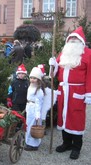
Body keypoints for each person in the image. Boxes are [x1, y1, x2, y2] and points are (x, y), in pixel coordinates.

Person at [49, 26, 91, 159]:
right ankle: (66, 143)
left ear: (80, 41)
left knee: (76, 118)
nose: (72, 41)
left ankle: (76, 147)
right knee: (63, 116)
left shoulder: (88, 54)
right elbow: (54, 74)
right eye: (71, 38)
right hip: (63, 90)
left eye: (75, 38)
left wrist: (88, 93)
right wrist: (53, 65)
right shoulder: (63, 53)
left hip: (77, 91)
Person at [24, 66, 45, 151]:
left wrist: (37, 114)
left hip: (34, 109)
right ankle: (28, 141)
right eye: (31, 78)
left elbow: (39, 103)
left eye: (35, 78)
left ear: (38, 80)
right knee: (28, 125)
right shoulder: (30, 86)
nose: (32, 80)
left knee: (33, 126)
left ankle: (33, 144)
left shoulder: (39, 91)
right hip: (29, 107)